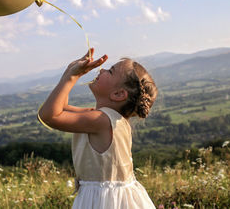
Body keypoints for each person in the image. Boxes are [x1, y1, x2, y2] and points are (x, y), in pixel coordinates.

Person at [39, 48, 158, 209]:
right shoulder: (103, 118)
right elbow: (61, 107)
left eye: (110, 71)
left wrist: (71, 76)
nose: (102, 69)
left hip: (103, 201)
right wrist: (72, 71)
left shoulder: (100, 120)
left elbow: (49, 115)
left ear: (118, 94)